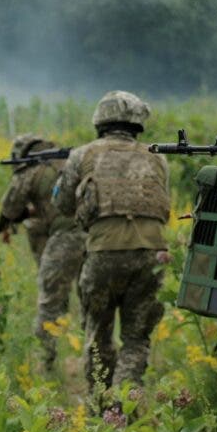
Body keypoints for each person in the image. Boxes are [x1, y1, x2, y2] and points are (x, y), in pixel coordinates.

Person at [53, 91, 171, 406]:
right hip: (151, 254)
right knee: (136, 338)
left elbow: (62, 204)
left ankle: (104, 407)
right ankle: (125, 401)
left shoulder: (82, 155)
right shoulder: (157, 156)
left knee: (98, 334)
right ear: (137, 124)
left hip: (103, 253)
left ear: (100, 121)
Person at [0, 134, 85, 371]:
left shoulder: (31, 171)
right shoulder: (71, 162)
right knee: (93, 302)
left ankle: (46, 363)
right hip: (97, 234)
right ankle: (94, 361)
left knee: (49, 302)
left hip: (66, 238)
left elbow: (10, 208)